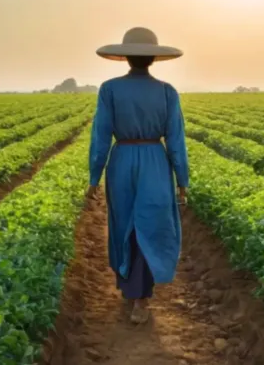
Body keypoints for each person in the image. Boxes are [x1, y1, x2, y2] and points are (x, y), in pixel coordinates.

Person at [86, 27, 189, 324]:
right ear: (153, 59)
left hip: (122, 160)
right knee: (152, 224)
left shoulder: (109, 89)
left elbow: (101, 138)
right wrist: (182, 180)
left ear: (127, 57)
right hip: (156, 162)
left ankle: (131, 291)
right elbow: (177, 141)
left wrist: (94, 177)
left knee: (125, 225)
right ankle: (141, 299)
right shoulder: (167, 92)